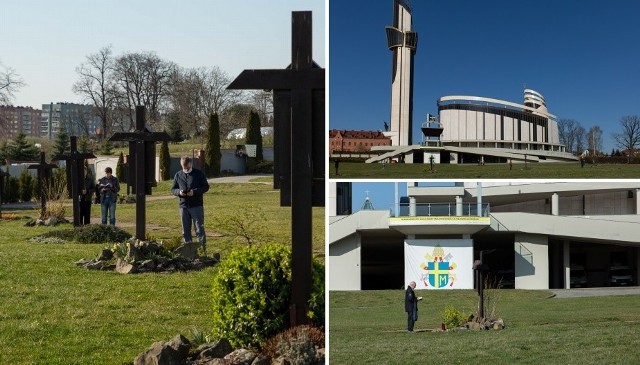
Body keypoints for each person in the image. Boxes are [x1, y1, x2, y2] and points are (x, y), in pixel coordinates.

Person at [171, 156, 210, 250]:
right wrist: (179, 192)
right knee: (185, 231)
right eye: (184, 168)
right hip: (183, 206)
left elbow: (206, 187)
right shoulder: (178, 175)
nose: (186, 169)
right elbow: (173, 189)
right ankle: (188, 251)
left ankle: (201, 250)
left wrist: (194, 192)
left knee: (199, 229)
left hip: (196, 206)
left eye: (187, 167)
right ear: (181, 165)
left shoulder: (198, 174)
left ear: (191, 164)